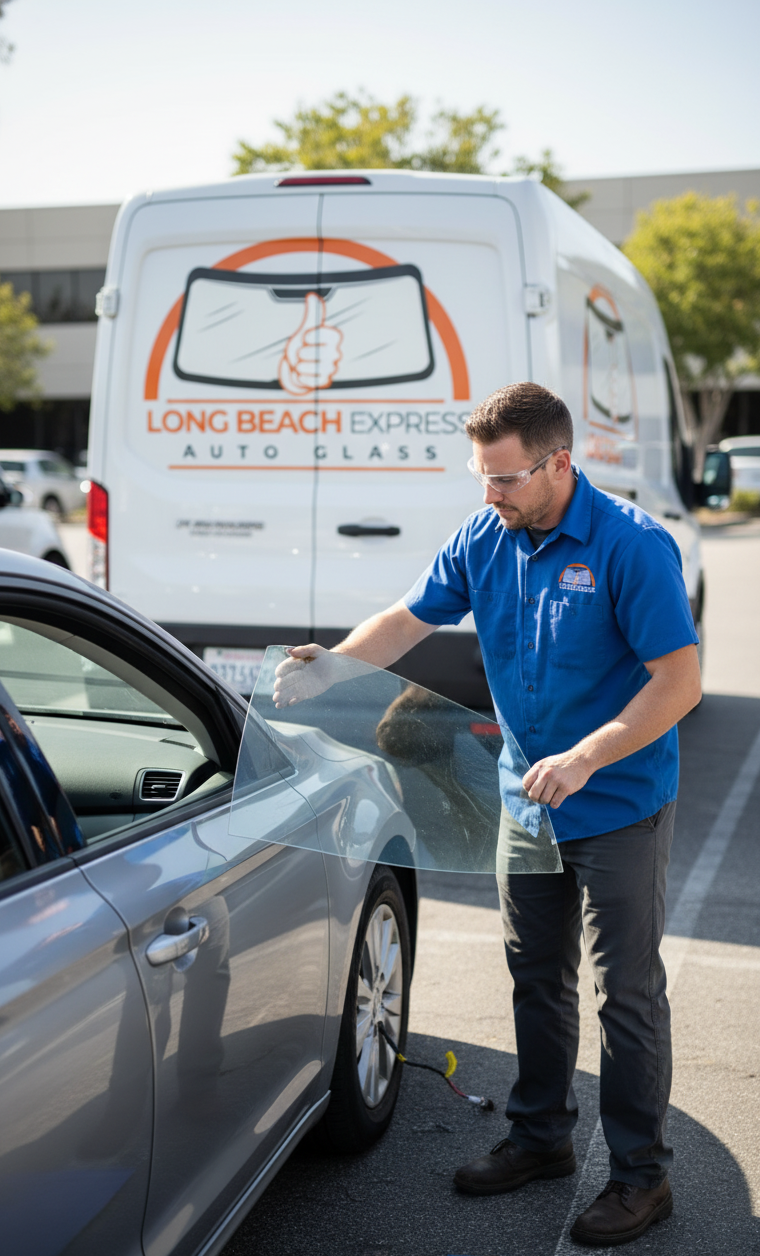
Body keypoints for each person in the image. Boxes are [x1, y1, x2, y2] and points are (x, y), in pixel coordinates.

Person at [274, 382, 701, 1247]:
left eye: (504, 479)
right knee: (536, 979)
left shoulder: (631, 547)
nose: (489, 495)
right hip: (524, 801)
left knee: (628, 996)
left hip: (615, 802)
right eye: (481, 477)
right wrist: (334, 667)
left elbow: (679, 682)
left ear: (559, 465)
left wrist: (588, 757)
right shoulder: (486, 535)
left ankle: (640, 1177)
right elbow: (408, 619)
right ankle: (540, 1137)